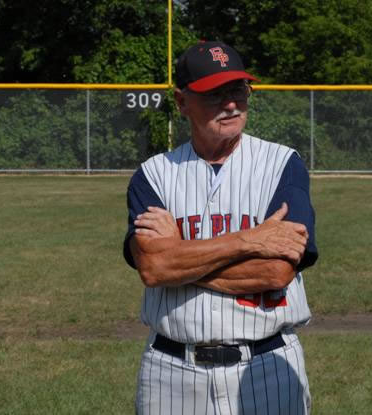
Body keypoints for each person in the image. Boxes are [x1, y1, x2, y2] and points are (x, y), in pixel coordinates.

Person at [122, 40, 318, 415]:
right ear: (182, 102)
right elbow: (152, 268)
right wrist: (250, 240)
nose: (230, 103)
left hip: (265, 364)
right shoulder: (153, 176)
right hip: (171, 371)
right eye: (214, 93)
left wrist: (178, 256)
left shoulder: (282, 165)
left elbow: (277, 270)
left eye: (238, 90)